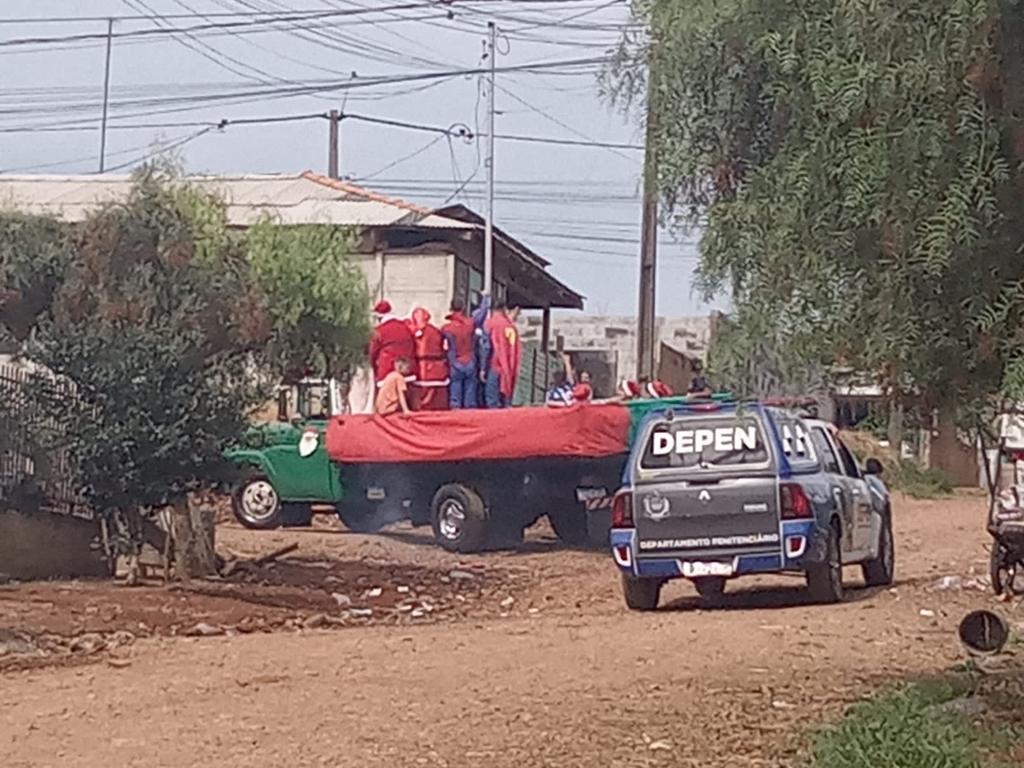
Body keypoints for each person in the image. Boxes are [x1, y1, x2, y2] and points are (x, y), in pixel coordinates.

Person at [368, 299, 415, 390]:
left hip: (387, 370)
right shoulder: (404, 327)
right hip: (406, 369)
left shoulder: (379, 330)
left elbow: (373, 352)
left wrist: (374, 366)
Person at [409, 307, 450, 411]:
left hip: (421, 367)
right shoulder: (435, 331)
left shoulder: (413, 331)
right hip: (437, 366)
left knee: (421, 394)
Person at [483, 300, 521, 409]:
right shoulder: (511, 327)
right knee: (505, 398)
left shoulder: (490, 323)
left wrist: (483, 368)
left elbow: (486, 347)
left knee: (492, 399)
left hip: (494, 363)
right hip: (508, 366)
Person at [441, 298, 478, 409]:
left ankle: (456, 408)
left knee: (455, 387)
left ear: (451, 309)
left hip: (455, 361)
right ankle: (469, 410)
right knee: (470, 388)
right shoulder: (471, 324)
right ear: (463, 308)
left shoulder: (447, 328)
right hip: (470, 359)